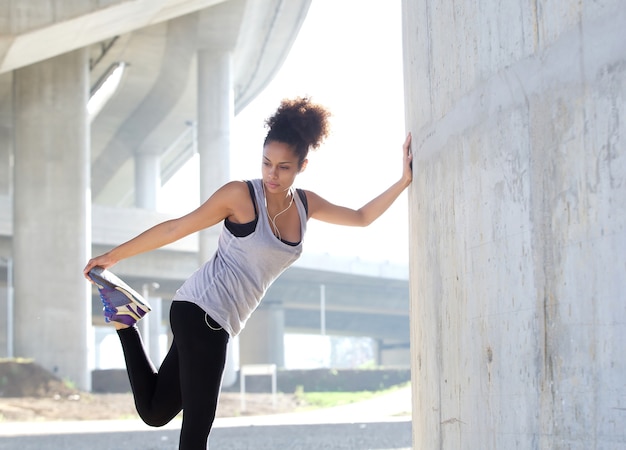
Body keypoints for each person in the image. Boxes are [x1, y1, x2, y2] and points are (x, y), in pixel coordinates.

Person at [83, 96, 412, 449]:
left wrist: (403, 180)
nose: (272, 173)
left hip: (216, 317)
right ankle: (125, 319)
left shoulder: (306, 204)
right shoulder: (240, 196)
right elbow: (175, 229)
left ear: (302, 165)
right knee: (196, 429)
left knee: (155, 411)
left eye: (284, 167)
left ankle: (124, 320)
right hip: (203, 312)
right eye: (267, 162)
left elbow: (361, 217)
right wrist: (114, 256)